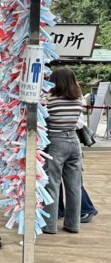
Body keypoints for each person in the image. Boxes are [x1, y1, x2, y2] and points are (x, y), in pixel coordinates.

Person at [43, 67, 84, 234]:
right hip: (74, 141)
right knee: (74, 186)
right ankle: (73, 225)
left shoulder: (48, 99)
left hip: (56, 141)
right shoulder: (78, 98)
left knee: (52, 184)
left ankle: (50, 225)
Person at [58, 114, 99, 223]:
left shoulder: (72, 98)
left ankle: (86, 208)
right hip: (64, 137)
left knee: (73, 180)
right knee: (56, 179)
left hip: (67, 136)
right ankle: (59, 209)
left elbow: (79, 122)